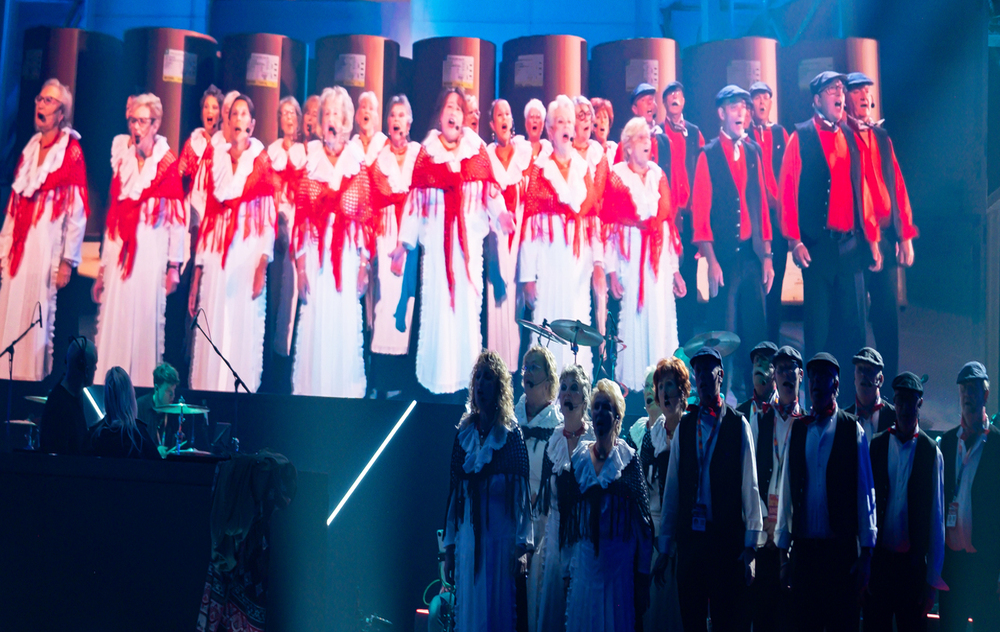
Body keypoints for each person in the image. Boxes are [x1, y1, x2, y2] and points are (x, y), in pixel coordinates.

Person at [390, 88, 513, 395]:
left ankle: (467, 383)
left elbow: (490, 192)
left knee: (467, 317)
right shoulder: (427, 154)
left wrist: (502, 216)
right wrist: (402, 245)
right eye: (449, 106)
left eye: (459, 107)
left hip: (468, 254)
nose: (454, 112)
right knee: (437, 314)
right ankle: (433, 381)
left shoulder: (476, 151)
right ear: (439, 114)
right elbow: (415, 202)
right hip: (435, 256)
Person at [777, 71, 882, 404]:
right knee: (818, 333)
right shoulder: (801, 137)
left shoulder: (850, 136)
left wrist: (873, 238)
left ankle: (852, 406)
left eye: (841, 88)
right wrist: (794, 240)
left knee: (853, 330)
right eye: (831, 89)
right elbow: (787, 191)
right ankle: (817, 405)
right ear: (816, 99)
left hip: (850, 246)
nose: (839, 93)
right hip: (818, 248)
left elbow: (862, 189)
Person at [655, 346, 763, 632]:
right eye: (698, 371)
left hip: (725, 542)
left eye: (708, 371)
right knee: (691, 621)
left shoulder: (738, 424)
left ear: (721, 376)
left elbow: (750, 487)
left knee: (726, 620)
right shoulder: (685, 427)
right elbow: (673, 492)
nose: (702, 376)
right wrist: (665, 548)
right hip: (691, 543)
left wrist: (751, 548)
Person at [775, 352, 878, 632]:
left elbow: (865, 493)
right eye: (813, 377)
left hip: (839, 555)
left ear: (836, 385)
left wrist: (866, 553)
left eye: (824, 377)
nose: (817, 383)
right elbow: (787, 491)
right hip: (805, 555)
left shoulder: (851, 429)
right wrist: (783, 554)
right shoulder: (798, 430)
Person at [93, 93, 185, 387]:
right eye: (132, 120)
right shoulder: (123, 159)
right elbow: (114, 216)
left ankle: (141, 399)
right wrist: (103, 269)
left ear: (155, 124)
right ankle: (109, 394)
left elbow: (177, 220)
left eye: (142, 121)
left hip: (150, 251)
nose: (136, 127)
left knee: (145, 323)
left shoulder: (166, 162)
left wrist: (174, 266)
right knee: (116, 320)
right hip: (121, 252)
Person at [0, 78, 89, 381]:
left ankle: (30, 383)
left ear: (62, 113)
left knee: (37, 314)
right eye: (39, 98)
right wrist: (3, 250)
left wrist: (67, 260)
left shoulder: (70, 150)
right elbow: (14, 205)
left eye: (49, 101)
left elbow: (76, 210)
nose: (40, 104)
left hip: (46, 247)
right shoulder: (29, 147)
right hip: (19, 248)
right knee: (9, 311)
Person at [188, 94, 276, 393]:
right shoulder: (215, 159)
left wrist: (262, 265)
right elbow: (206, 217)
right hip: (215, 252)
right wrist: (196, 275)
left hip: (246, 252)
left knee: (241, 321)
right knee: (214, 316)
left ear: (252, 124)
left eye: (243, 114)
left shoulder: (261, 162)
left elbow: (268, 220)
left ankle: (239, 392)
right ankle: (209, 392)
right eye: (234, 114)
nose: (238, 119)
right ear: (228, 122)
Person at [692, 85, 775, 399]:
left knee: (757, 332)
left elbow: (761, 206)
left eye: (744, 107)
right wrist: (711, 260)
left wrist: (766, 254)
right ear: (721, 113)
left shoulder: (754, 151)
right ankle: (717, 399)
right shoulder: (709, 153)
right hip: (723, 260)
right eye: (734, 107)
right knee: (722, 335)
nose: (741, 112)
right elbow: (701, 211)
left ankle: (760, 401)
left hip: (751, 258)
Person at [442, 350, 533, 632]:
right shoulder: (464, 434)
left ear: (499, 387)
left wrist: (523, 548)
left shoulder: (510, 435)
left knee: (497, 612)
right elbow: (454, 499)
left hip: (500, 544)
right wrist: (449, 548)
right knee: (470, 612)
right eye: (478, 377)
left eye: (489, 378)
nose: (481, 384)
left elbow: (522, 499)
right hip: (469, 544)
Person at [291, 86, 372, 398]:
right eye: (327, 114)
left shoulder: (358, 166)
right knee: (314, 323)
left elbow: (366, 222)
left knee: (343, 324)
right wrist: (299, 269)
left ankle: (344, 397)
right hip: (315, 254)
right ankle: (312, 396)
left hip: (348, 257)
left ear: (348, 122)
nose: (331, 120)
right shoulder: (310, 163)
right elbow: (300, 220)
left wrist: (364, 266)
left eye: (337, 114)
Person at [520, 95, 606, 377]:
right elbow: (530, 228)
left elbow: (592, 218)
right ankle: (545, 385)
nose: (567, 127)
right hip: (549, 261)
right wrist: (528, 278)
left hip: (578, 265)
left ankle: (578, 384)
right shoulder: (540, 171)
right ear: (550, 130)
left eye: (570, 121)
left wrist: (597, 264)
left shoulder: (584, 170)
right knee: (548, 319)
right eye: (561, 122)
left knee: (577, 321)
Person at [843, 72, 918, 384]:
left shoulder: (881, 137)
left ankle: (890, 389)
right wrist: (872, 239)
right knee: (857, 321)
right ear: (845, 97)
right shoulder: (844, 137)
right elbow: (858, 194)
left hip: (885, 238)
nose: (864, 96)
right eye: (857, 90)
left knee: (887, 317)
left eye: (866, 90)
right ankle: (857, 389)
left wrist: (905, 236)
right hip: (857, 240)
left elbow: (897, 186)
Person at [561, 379, 652, 632]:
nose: (600, 412)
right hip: (585, 565)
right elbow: (569, 520)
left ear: (617, 417)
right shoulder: (579, 458)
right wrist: (565, 570)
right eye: (597, 407)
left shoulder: (628, 461)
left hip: (618, 569)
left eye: (606, 408)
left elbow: (643, 524)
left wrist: (643, 575)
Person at [602, 117, 684, 392]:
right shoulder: (617, 175)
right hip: (630, 257)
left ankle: (662, 382)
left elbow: (666, 225)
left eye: (648, 138)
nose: (647, 142)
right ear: (627, 146)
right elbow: (610, 227)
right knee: (632, 320)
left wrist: (674, 270)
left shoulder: (658, 174)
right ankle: (631, 386)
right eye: (640, 138)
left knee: (660, 318)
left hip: (658, 260)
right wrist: (611, 271)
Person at [863, 371, 946, 632]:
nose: (905, 408)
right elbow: (864, 508)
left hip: (911, 571)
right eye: (900, 401)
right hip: (880, 567)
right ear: (894, 403)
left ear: (919, 403)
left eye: (911, 401)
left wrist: (932, 581)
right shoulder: (876, 446)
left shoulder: (931, 452)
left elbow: (937, 518)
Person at [938, 361, 1000, 631]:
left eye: (973, 389)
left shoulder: (997, 444)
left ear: (985, 394)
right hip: (953, 566)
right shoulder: (948, 442)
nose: (967, 395)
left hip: (984, 565)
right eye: (963, 389)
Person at [532, 364, 593, 632]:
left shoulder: (594, 438)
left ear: (585, 397)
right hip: (555, 537)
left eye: (574, 389)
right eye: (564, 388)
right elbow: (545, 500)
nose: (568, 394)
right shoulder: (554, 440)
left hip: (584, 536)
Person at [749, 345, 803, 632]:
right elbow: (752, 480)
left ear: (800, 375)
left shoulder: (807, 423)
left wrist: (787, 529)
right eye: (779, 369)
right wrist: (764, 526)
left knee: (791, 619)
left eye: (789, 369)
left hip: (794, 542)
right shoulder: (760, 420)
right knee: (763, 617)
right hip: (765, 540)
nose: (784, 374)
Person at [369, 95, 421, 360]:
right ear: (387, 122)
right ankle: (382, 367)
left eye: (402, 115)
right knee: (386, 293)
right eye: (393, 115)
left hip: (412, 229)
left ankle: (403, 366)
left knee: (408, 294)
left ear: (409, 122)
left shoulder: (419, 154)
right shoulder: (379, 158)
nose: (397, 120)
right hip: (386, 228)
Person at [485, 98, 533, 371]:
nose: (504, 118)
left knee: (517, 303)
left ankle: (515, 369)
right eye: (498, 114)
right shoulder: (487, 155)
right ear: (493, 124)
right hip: (495, 241)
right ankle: (495, 368)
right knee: (496, 301)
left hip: (519, 239)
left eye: (507, 113)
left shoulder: (524, 153)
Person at [516, 346, 561, 632]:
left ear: (549, 381)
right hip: (513, 516)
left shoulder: (558, 425)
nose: (527, 372)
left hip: (544, 521)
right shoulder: (509, 417)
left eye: (534, 367)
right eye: (525, 367)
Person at [642, 357, 689, 632]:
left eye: (670, 385)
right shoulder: (652, 437)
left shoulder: (693, 429)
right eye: (661, 387)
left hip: (687, 532)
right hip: (656, 531)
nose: (665, 393)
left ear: (682, 390)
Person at [658, 81, 705, 344]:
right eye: (669, 95)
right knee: (667, 284)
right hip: (666, 222)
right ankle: (668, 342)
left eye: (679, 93)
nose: (675, 97)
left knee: (688, 283)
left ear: (684, 101)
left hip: (689, 223)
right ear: (664, 103)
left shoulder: (695, 133)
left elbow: (702, 181)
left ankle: (685, 348)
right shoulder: (657, 134)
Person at [748, 82, 791, 344]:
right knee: (755, 289)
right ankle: (754, 349)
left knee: (775, 286)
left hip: (777, 221)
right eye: (757, 98)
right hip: (753, 223)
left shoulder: (780, 134)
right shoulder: (745, 135)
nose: (762, 102)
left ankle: (773, 345)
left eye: (766, 97)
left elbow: (789, 176)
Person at [266, 95, 307, 360]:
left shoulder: (306, 151)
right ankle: (270, 347)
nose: (289, 117)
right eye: (285, 113)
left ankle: (287, 348)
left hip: (297, 222)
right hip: (273, 220)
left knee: (292, 285)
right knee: (274, 284)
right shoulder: (271, 150)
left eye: (293, 113)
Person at [178, 85, 224, 264]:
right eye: (206, 106)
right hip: (194, 206)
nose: (209, 111)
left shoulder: (223, 144)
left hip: (215, 207)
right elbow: (179, 179)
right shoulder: (192, 143)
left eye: (214, 107)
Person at [39, 336, 97, 455]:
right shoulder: (59, 406)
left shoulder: (73, 397)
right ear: (85, 369)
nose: (96, 368)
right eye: (94, 364)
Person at [89, 366, 160, 459]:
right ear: (130, 397)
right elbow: (158, 466)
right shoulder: (139, 435)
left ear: (107, 397)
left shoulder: (94, 435)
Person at [844, 347, 896, 441]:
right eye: (860, 369)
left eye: (869, 370)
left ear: (880, 380)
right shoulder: (843, 419)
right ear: (854, 377)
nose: (863, 374)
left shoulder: (894, 418)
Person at [736, 341, 778, 441]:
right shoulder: (740, 413)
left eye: (764, 359)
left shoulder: (785, 410)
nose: (758, 363)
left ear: (775, 370)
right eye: (756, 360)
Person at [612, 83, 661, 164]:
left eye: (651, 99)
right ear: (635, 109)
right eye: (643, 100)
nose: (649, 103)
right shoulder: (625, 145)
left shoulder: (663, 140)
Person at [135, 362, 180, 446]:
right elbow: (136, 443)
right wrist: (154, 451)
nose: (172, 396)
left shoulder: (174, 412)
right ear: (156, 388)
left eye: (173, 391)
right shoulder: (139, 407)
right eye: (168, 391)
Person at [350, 91, 387, 167]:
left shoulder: (383, 142)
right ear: (357, 116)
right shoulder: (353, 143)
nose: (366, 111)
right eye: (363, 107)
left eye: (371, 108)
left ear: (376, 118)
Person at [590, 98, 617, 165]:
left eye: (605, 117)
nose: (602, 121)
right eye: (598, 117)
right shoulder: (588, 150)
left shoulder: (614, 149)